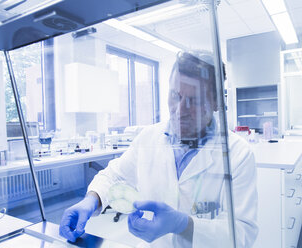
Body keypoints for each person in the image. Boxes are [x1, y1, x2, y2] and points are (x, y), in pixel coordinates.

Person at [59, 51, 258, 247]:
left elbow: (242, 234)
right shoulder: (148, 137)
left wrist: (183, 225)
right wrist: (90, 201)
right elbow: (115, 176)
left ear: (216, 102)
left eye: (194, 100)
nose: (180, 110)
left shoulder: (237, 154)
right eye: (175, 95)